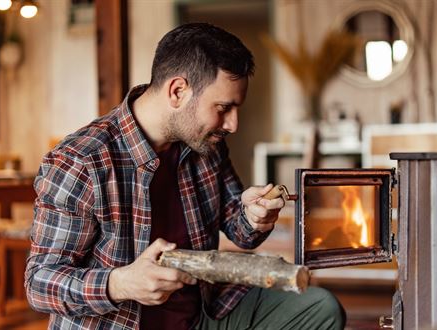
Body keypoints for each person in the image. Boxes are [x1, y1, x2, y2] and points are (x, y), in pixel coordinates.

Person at [25, 23, 345, 330]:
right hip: (118, 324)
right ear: (178, 91)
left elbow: (240, 231)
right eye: (223, 107)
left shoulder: (207, 145)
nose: (232, 124)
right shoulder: (82, 159)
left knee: (321, 309)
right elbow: (39, 283)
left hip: (202, 314)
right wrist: (119, 283)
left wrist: (253, 215)